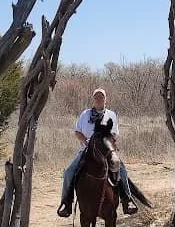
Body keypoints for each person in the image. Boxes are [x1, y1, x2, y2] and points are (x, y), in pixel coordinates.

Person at [57, 88, 138, 217]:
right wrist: (85, 141)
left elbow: (114, 134)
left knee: (122, 170)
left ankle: (127, 200)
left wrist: (107, 142)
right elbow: (77, 132)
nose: (99, 99)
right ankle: (67, 203)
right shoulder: (85, 114)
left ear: (105, 99)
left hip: (105, 151)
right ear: (93, 99)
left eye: (101, 96)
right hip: (86, 151)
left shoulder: (111, 115)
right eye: (96, 97)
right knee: (68, 172)